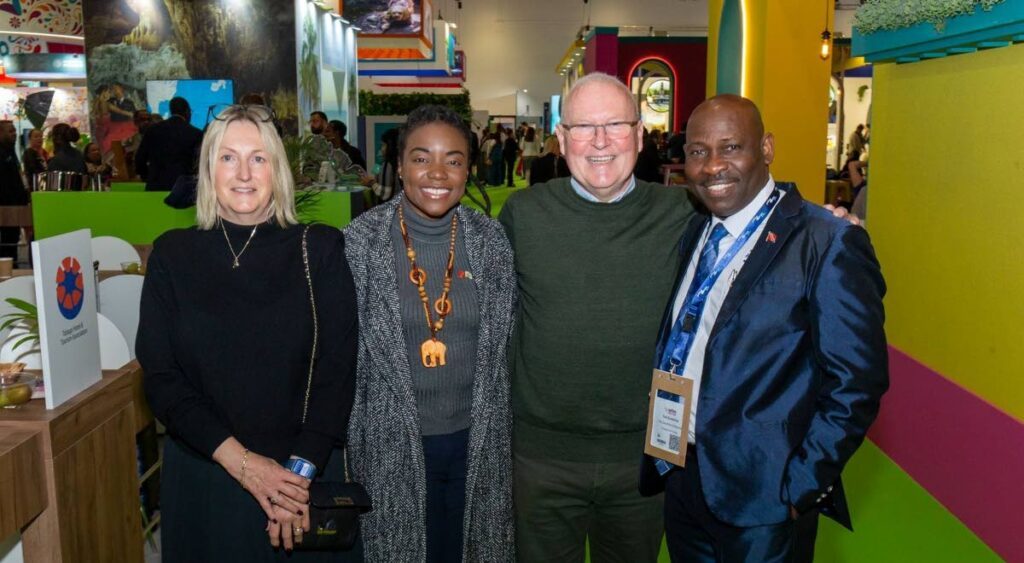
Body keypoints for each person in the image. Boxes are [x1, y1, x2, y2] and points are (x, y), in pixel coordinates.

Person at [498, 73, 857, 563]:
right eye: (583, 127)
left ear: (640, 135)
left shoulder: (686, 212)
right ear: (560, 139)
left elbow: (763, 218)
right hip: (542, 460)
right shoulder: (522, 214)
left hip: (648, 461)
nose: (600, 142)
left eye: (616, 125)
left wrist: (832, 222)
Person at [640, 94, 887, 562]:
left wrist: (801, 487)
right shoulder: (698, 230)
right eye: (697, 151)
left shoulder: (826, 240)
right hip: (682, 474)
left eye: (731, 147)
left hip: (766, 497)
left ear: (767, 148)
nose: (713, 166)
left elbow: (857, 383)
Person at [137, 104, 359, 561]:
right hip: (207, 480)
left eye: (258, 158)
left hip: (302, 485)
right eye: (227, 157)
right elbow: (161, 378)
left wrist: (294, 480)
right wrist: (243, 464)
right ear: (207, 169)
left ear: (276, 169)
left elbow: (337, 371)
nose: (243, 172)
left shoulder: (319, 248)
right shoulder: (171, 256)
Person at [343, 104, 516, 562]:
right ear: (399, 167)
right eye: (421, 158)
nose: (437, 173)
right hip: (390, 444)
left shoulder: (491, 241)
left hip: (478, 441)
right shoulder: (360, 243)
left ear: (468, 170)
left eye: (454, 160)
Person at [135, 96, 203, 191]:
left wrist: (147, 177)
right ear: (187, 112)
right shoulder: (196, 134)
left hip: (155, 187)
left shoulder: (152, 130)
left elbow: (140, 159)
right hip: (184, 191)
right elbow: (200, 164)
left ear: (171, 110)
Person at [0, 121, 28, 259]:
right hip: (4, 208)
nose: (14, 134)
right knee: (6, 245)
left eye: (14, 131)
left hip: (14, 208)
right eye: (10, 131)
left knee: (12, 243)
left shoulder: (11, 151)